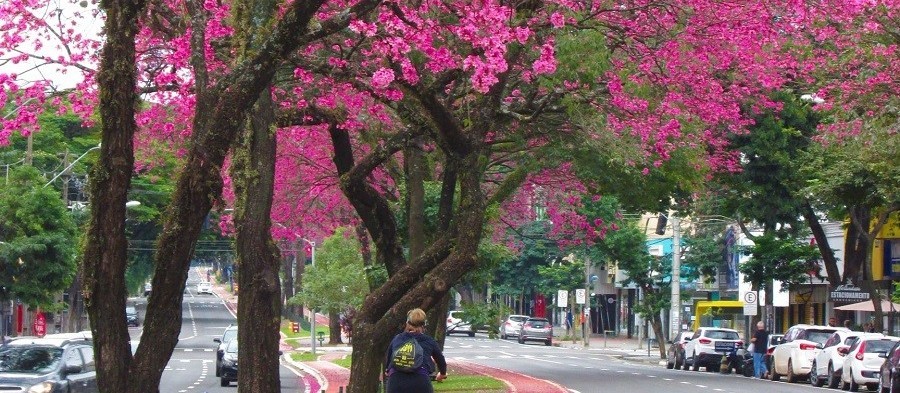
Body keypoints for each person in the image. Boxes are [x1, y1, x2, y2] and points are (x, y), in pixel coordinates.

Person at [384, 308, 447, 393]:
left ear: (407, 323)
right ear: (424, 324)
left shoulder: (398, 338)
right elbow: (440, 360)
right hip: (420, 382)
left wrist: (387, 371)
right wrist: (442, 374)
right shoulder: (429, 341)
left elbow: (389, 360)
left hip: (396, 382)